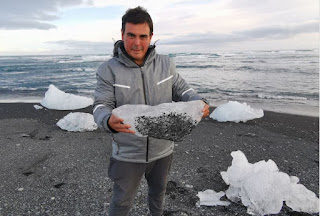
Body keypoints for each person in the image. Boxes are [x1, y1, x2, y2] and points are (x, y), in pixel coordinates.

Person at [93, 6, 210, 216]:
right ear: (122, 35)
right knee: (121, 202)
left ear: (151, 36)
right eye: (131, 35)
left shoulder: (166, 64)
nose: (137, 43)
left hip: (163, 150)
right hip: (127, 153)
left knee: (158, 194)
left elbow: (184, 90)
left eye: (142, 36)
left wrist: (199, 103)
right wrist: (107, 120)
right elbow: (101, 105)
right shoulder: (108, 70)